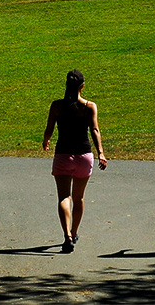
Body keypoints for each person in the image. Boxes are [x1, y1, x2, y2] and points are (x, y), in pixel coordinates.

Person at [43, 69, 108, 253]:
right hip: (83, 157)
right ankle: (75, 231)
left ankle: (67, 236)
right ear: (82, 86)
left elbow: (49, 129)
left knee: (64, 197)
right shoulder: (89, 107)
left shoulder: (57, 106)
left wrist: (46, 140)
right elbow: (95, 130)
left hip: (63, 155)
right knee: (78, 198)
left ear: (66, 85)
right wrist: (101, 153)